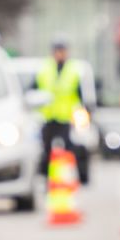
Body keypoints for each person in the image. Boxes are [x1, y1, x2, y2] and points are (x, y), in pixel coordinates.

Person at [35, 37, 86, 184]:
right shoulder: (44, 68)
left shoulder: (73, 70)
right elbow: (35, 90)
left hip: (66, 118)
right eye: (57, 51)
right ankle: (46, 179)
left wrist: (82, 112)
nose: (60, 54)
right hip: (48, 117)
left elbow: (79, 95)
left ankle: (71, 177)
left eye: (62, 51)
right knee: (46, 151)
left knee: (70, 149)